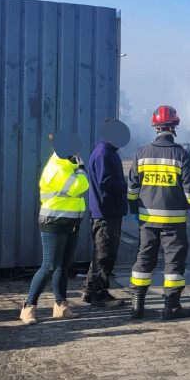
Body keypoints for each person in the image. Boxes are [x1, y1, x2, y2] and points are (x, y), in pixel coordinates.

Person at [126, 105, 190, 319]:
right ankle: (171, 307)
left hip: (147, 220)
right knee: (174, 262)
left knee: (144, 257)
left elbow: (132, 188)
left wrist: (134, 209)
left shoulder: (141, 153)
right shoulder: (181, 155)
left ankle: (137, 305)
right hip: (174, 221)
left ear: (155, 128)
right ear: (175, 127)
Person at [20, 143, 89, 324]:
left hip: (71, 222)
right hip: (53, 222)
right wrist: (82, 170)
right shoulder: (56, 168)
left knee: (63, 266)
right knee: (49, 266)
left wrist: (76, 167)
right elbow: (78, 187)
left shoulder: (68, 166)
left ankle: (61, 306)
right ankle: (28, 307)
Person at [80, 120, 128, 307]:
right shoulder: (103, 154)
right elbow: (105, 183)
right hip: (105, 212)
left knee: (101, 252)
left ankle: (89, 289)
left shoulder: (110, 152)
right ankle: (99, 294)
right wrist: (128, 185)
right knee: (105, 254)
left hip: (109, 211)